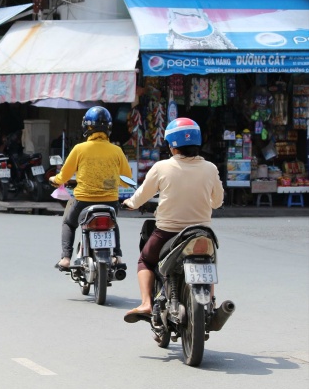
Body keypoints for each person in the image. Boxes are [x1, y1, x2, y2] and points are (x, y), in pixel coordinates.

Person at [122, 118, 224, 322]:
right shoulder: (210, 168)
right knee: (208, 262)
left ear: (172, 145)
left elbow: (141, 196)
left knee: (145, 260)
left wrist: (130, 203)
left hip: (167, 232)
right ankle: (210, 303)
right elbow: (217, 201)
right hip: (202, 232)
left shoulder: (162, 167)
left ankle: (146, 303)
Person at [49, 106, 132, 269]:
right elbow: (127, 180)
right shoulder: (117, 151)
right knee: (113, 223)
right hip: (110, 202)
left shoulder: (79, 149)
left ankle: (66, 258)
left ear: (86, 127)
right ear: (108, 128)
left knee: (68, 223)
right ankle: (118, 256)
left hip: (82, 201)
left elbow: (63, 177)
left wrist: (55, 179)